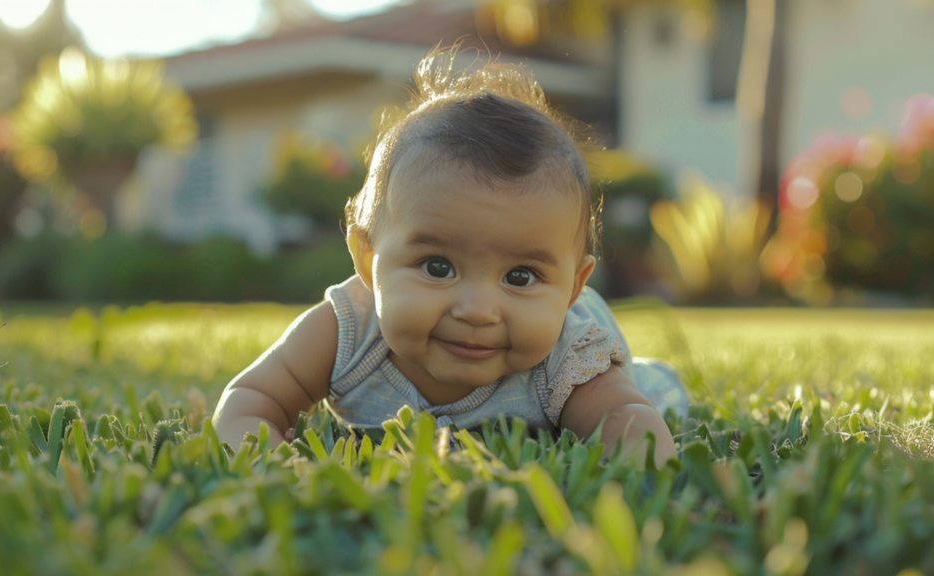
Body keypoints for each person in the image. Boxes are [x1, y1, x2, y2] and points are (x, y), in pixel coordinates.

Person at [212, 47, 687, 467]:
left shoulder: (569, 360)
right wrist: (272, 464)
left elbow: (628, 426)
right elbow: (251, 400)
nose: (478, 310)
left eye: (520, 277)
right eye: (438, 268)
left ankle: (651, 373)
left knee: (655, 395)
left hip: (621, 376)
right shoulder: (346, 332)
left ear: (573, 288)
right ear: (367, 259)